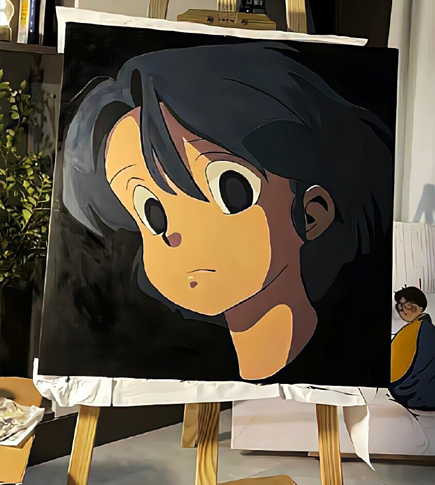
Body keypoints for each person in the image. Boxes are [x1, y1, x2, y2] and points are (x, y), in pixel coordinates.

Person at [62, 40, 393, 381]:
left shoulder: (349, 355)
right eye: (151, 212)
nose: (175, 235)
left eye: (231, 190)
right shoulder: (171, 359)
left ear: (311, 214)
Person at [390, 287, 435, 412]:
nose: (403, 310)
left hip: (419, 394)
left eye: (408, 305)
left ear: (420, 307)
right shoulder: (423, 326)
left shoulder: (419, 329)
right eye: (399, 306)